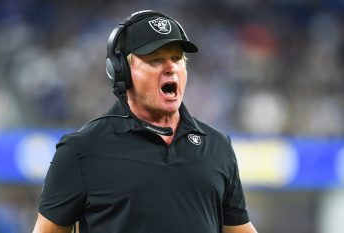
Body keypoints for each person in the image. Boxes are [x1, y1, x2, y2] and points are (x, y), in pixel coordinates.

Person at [32, 10, 258, 233]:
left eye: (177, 58)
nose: (170, 68)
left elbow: (238, 228)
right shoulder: (81, 150)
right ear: (121, 72)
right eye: (155, 60)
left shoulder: (217, 146)